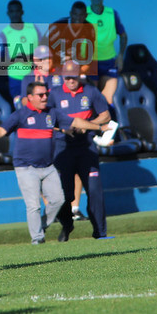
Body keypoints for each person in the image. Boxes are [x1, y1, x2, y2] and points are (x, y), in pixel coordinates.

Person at [0, 81, 106, 243]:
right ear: (30, 97)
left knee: (59, 200)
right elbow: (1, 131)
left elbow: (76, 122)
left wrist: (97, 127)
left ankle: (41, 225)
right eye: (41, 95)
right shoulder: (21, 115)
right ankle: (37, 239)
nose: (45, 98)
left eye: (46, 94)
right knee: (34, 205)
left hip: (48, 166)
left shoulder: (52, 113)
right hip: (26, 167)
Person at [49, 60, 114, 239]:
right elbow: (47, 120)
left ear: (80, 75)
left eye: (74, 77)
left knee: (94, 190)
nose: (71, 81)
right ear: (63, 77)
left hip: (86, 146)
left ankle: (100, 232)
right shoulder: (54, 94)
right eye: (67, 77)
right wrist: (63, 128)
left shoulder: (91, 91)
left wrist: (89, 125)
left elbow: (106, 115)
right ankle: (67, 225)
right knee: (65, 193)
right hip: (63, 146)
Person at [86, 0, 127, 105]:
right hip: (91, 61)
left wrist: (120, 55)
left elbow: (123, 35)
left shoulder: (112, 13)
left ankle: (107, 122)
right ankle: (94, 123)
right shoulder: (84, 14)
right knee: (92, 97)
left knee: (108, 99)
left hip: (109, 61)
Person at [0, 0, 39, 99]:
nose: (15, 14)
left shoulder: (32, 28)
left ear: (22, 12)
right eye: (12, 11)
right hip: (16, 79)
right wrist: (18, 58)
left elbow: (41, 52)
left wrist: (29, 57)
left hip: (34, 77)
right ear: (8, 13)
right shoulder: (4, 34)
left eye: (17, 11)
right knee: (21, 109)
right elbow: (1, 62)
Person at [46, 1, 97, 80]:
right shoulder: (58, 26)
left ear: (86, 15)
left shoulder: (89, 28)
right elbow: (45, 47)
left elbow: (89, 54)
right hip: (57, 64)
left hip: (75, 64)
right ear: (70, 13)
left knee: (89, 79)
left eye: (81, 15)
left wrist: (81, 71)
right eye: (75, 14)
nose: (78, 18)